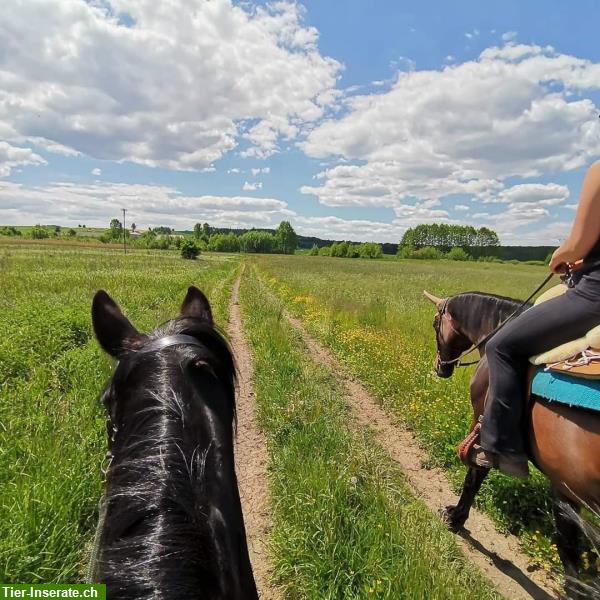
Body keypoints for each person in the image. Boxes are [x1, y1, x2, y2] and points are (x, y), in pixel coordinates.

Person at [474, 161, 600, 477]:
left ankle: (501, 445)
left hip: (594, 295)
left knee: (501, 346)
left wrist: (562, 257)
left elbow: (576, 244)